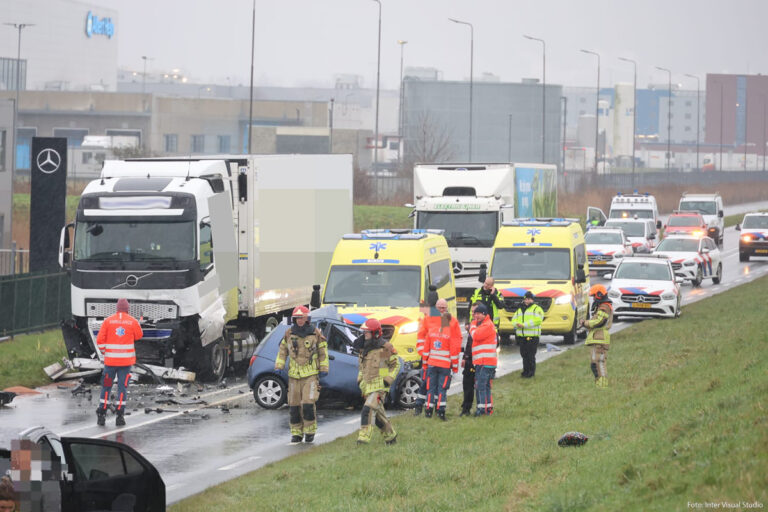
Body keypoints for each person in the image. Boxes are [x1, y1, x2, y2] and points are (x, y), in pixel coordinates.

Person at [274, 305, 329, 444]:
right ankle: (296, 433)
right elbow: (282, 351)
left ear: (307, 319)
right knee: (293, 405)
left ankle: (310, 432)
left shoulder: (315, 333)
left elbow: (323, 353)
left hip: (310, 375)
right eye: (297, 318)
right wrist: (279, 365)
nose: (299, 320)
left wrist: (324, 368)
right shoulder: (289, 333)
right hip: (293, 376)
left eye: (302, 318)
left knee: (308, 403)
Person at [96, 298, 142, 426]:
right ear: (127, 309)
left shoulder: (108, 321)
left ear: (117, 308)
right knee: (122, 388)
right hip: (125, 364)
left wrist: (106, 352)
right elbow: (139, 336)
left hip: (110, 364)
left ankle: (101, 414)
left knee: (106, 386)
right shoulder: (133, 321)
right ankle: (120, 417)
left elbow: (100, 340)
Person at [356, 318, 400, 445]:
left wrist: (388, 380)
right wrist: (360, 379)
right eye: (364, 333)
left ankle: (363, 439)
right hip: (367, 387)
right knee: (379, 418)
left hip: (379, 387)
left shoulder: (384, 348)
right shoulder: (363, 348)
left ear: (375, 333)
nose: (365, 335)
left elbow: (394, 365)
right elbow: (362, 367)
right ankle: (391, 437)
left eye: (367, 333)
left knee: (367, 410)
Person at [422, 308, 462, 420]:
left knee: (430, 388)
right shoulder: (451, 334)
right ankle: (440, 412)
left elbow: (426, 351)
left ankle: (428, 411)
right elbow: (454, 354)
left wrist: (425, 365)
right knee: (442, 390)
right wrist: (454, 368)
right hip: (444, 366)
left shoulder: (432, 331)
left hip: (432, 365)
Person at [580, 284, 613, 388]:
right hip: (597, 338)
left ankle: (603, 385)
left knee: (600, 362)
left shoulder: (604, 307)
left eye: (594, 296)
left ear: (599, 294)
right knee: (594, 364)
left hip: (601, 338)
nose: (593, 298)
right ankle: (599, 385)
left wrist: (585, 323)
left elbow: (599, 321)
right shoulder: (601, 306)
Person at [470, 304, 497, 416]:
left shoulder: (486, 325)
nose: (476, 316)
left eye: (478, 314)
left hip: (485, 362)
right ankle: (487, 408)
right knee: (485, 386)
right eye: (475, 314)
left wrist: (472, 325)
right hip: (484, 362)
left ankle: (481, 409)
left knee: (481, 386)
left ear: (484, 314)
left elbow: (475, 336)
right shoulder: (485, 324)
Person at [511, 291, 544, 378]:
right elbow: (513, 320)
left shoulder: (536, 309)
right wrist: (516, 324)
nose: (526, 301)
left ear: (532, 300)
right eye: (525, 299)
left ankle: (531, 372)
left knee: (530, 355)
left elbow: (538, 320)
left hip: (532, 336)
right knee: (524, 354)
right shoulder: (519, 309)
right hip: (522, 336)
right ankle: (525, 371)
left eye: (528, 299)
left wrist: (524, 325)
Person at [460, 303, 478, 417]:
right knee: (467, 384)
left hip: (476, 360)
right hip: (469, 359)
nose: (472, 314)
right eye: (471, 312)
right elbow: (468, 344)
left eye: (474, 312)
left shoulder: (481, 325)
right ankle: (466, 407)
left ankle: (469, 408)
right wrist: (464, 357)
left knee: (475, 386)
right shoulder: (473, 324)